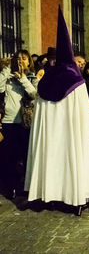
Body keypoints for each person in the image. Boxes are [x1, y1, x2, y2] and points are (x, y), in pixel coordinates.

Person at [24, 8, 89, 215]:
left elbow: (39, 109)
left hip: (49, 136)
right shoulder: (77, 82)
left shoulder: (46, 80)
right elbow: (84, 114)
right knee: (69, 158)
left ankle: (48, 194)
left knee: (51, 158)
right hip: (70, 135)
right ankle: (72, 196)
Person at [0, 50, 37, 199]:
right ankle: (11, 187)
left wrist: (22, 79)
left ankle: (26, 187)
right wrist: (7, 69)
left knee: (25, 156)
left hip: (26, 123)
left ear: (29, 62)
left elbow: (35, 95)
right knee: (9, 157)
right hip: (9, 121)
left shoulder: (32, 77)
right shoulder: (7, 77)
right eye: (18, 58)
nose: (21, 61)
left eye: (24, 58)